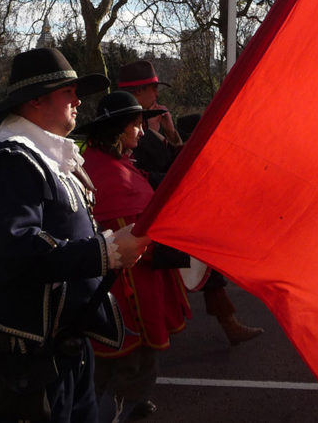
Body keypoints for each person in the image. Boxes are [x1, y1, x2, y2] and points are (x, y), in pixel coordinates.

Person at [0, 47, 149, 423]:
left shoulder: (41, 155)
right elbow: (16, 249)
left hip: (59, 339)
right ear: (36, 100)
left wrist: (110, 246)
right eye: (68, 92)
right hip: (23, 347)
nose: (78, 101)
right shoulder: (9, 158)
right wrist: (107, 252)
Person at [119, 60, 265, 347]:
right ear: (138, 93)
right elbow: (137, 174)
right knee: (181, 265)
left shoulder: (153, 122)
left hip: (164, 206)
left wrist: (172, 136)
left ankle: (226, 322)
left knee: (201, 257)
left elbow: (177, 164)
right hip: (145, 213)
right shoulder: (128, 127)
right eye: (152, 89)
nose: (156, 95)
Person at [78, 91, 192, 421]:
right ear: (117, 130)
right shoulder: (110, 175)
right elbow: (128, 237)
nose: (141, 132)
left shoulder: (114, 164)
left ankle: (128, 403)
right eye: (136, 125)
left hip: (131, 283)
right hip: (128, 291)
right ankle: (117, 410)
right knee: (129, 364)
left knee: (124, 366)